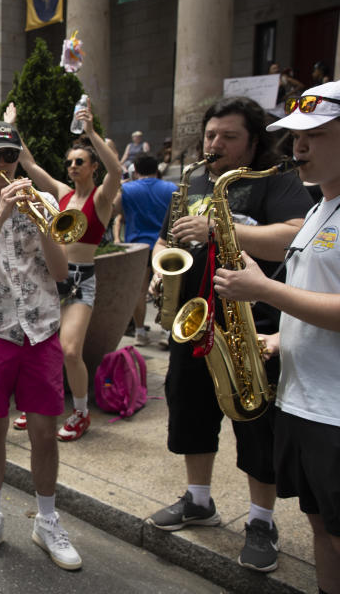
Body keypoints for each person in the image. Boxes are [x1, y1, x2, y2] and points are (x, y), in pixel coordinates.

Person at [146, 95, 313, 573]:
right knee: (189, 411)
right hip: (192, 316)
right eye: (211, 135)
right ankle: (199, 500)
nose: (215, 144)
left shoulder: (273, 179)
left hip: (249, 322)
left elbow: (296, 233)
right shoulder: (195, 180)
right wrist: (160, 267)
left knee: (255, 422)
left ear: (253, 141)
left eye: (228, 136)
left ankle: (262, 521)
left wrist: (220, 231)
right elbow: (168, 238)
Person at [213, 80, 340, 592]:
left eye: (316, 134)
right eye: (294, 136)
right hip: (303, 403)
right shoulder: (318, 208)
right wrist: (280, 340)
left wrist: (263, 290)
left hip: (334, 413)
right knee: (320, 530)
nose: (298, 147)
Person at [0, 120, 81, 570]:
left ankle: (47, 520)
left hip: (40, 328)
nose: (3, 165)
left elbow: (61, 272)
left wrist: (39, 218)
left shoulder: (42, 201)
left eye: (10, 156)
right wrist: (2, 213)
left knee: (45, 431)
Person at [4, 99, 124, 441]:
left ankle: (82, 413)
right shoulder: (62, 193)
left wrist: (90, 133)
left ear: (92, 167)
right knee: (37, 344)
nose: (72, 166)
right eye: (70, 161)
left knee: (70, 350)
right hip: (51, 277)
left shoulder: (101, 199)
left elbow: (116, 171)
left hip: (81, 282)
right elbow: (28, 162)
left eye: (80, 162)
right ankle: (34, 403)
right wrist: (12, 125)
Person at [113, 153, 177, 346]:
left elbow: (114, 212)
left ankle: (140, 332)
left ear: (136, 171)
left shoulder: (126, 189)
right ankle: (167, 333)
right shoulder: (172, 188)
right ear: (157, 169)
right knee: (167, 289)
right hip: (166, 245)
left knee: (138, 292)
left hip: (137, 246)